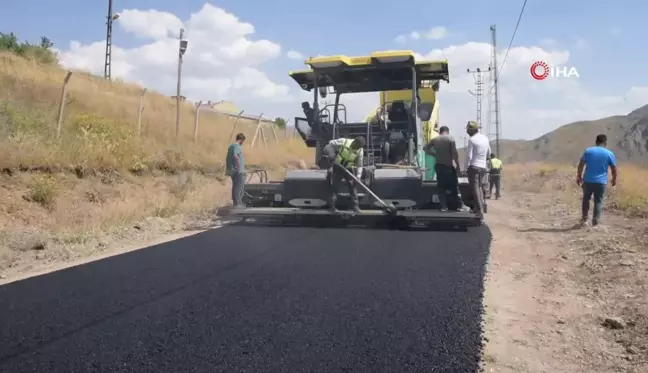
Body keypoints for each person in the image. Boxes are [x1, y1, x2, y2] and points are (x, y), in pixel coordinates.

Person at [423, 126, 470, 212]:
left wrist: (433, 154)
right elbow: (454, 153)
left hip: (438, 166)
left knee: (441, 187)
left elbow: (425, 148)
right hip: (448, 166)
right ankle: (459, 205)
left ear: (440, 132)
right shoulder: (450, 138)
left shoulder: (435, 139)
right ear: (447, 131)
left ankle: (443, 206)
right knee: (454, 186)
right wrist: (458, 165)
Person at [576, 134, 617, 226]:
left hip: (588, 181)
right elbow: (614, 168)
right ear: (605, 143)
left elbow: (581, 164)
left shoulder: (588, 151)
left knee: (586, 199)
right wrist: (614, 179)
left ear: (596, 142)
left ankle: (584, 220)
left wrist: (579, 176)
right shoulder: (609, 153)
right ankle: (595, 221)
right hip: (601, 182)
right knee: (598, 201)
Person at [319, 136, 366, 213]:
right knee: (335, 187)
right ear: (354, 142)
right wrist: (332, 154)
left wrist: (358, 176)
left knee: (352, 187)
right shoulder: (343, 141)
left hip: (348, 169)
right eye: (356, 146)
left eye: (359, 147)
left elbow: (359, 164)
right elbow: (329, 144)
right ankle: (332, 207)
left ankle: (355, 207)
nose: (357, 148)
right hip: (338, 167)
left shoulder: (360, 150)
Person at [465, 121, 491, 218]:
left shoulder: (472, 140)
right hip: (483, 166)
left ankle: (479, 210)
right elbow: (489, 152)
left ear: (472, 130)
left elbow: (469, 155)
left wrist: (466, 167)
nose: (467, 132)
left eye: (468, 130)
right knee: (480, 187)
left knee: (475, 188)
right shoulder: (485, 138)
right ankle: (479, 207)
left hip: (474, 166)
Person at [226, 133, 246, 209]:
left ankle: (236, 204)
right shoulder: (237, 146)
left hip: (232, 170)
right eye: (243, 141)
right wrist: (238, 167)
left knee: (235, 187)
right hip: (238, 170)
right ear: (241, 140)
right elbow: (235, 156)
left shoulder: (231, 146)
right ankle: (238, 204)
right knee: (238, 187)